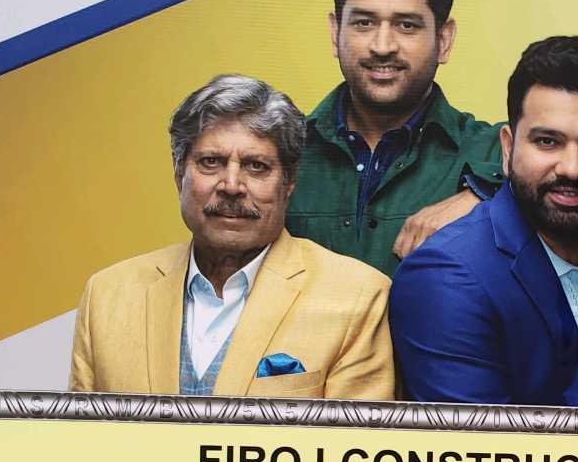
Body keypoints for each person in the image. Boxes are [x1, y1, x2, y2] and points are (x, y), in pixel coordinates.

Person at [289, 0, 578, 274]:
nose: (382, 46)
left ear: (444, 40)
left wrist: (487, 196)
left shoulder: (495, 150)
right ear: (335, 32)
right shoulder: (284, 152)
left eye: (407, 25)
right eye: (364, 23)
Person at [389, 36, 578, 411]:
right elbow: (481, 447)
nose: (572, 168)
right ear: (508, 148)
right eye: (548, 142)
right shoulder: (447, 276)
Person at [69, 74, 394, 399]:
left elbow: (353, 432)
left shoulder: (357, 297)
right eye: (211, 162)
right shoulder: (107, 295)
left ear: (289, 181)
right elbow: (77, 431)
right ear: (179, 173)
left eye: (256, 166)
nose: (232, 186)